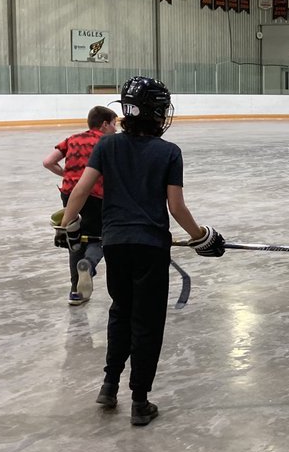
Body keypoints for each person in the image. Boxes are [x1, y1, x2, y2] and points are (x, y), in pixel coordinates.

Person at [58, 76, 225, 427]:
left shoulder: (106, 146)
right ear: (155, 112)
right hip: (150, 248)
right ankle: (139, 400)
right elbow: (176, 207)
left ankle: (109, 383)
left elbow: (81, 190)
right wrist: (202, 237)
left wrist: (67, 225)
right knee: (147, 322)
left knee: (120, 311)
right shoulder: (169, 152)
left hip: (115, 244)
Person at [43, 105, 118, 305]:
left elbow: (48, 162)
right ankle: (89, 264)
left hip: (69, 196)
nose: (116, 129)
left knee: (74, 241)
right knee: (99, 238)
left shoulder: (72, 139)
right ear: (104, 124)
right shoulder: (108, 142)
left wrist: (67, 174)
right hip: (96, 197)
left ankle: (76, 292)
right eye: (114, 124)